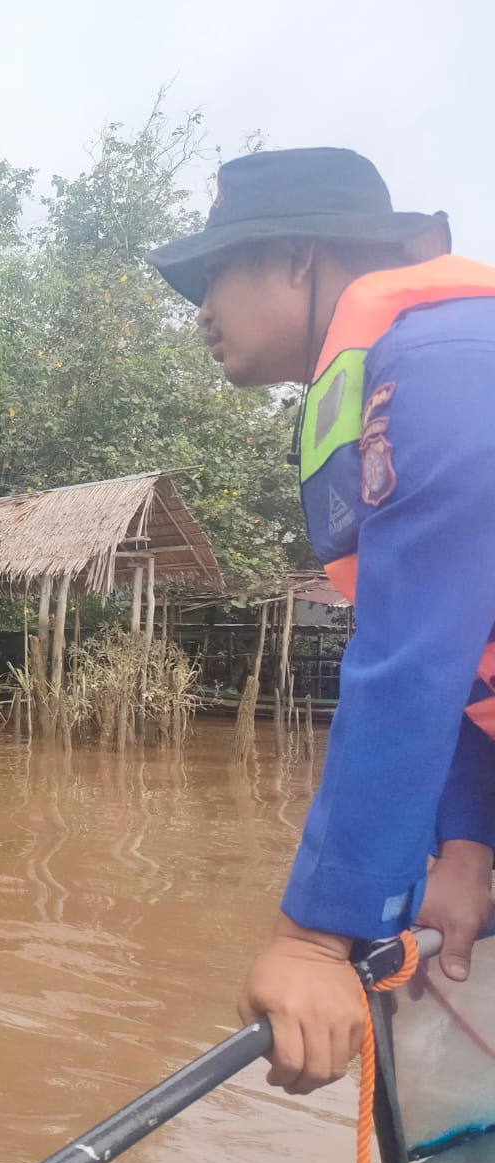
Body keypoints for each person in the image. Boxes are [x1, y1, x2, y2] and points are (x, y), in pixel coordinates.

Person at [147, 147, 495, 1097]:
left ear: (297, 259)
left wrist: (313, 937)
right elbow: (466, 655)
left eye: (214, 273)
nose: (201, 312)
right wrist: (468, 845)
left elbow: (412, 662)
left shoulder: (446, 360)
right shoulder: (388, 376)